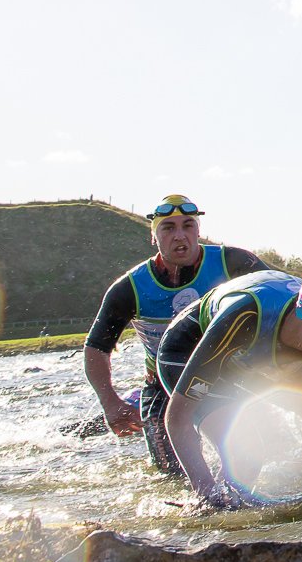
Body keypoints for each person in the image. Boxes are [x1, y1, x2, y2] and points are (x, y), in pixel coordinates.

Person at [157, 265, 302, 509]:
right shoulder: (244, 317)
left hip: (251, 358)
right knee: (248, 456)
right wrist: (204, 490)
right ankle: (214, 509)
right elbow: (177, 417)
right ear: (301, 313)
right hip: (187, 348)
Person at [83, 195, 266, 474]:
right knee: (171, 472)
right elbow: (96, 348)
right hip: (164, 385)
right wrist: (110, 402)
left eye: (187, 226)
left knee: (252, 457)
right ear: (154, 237)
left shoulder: (233, 262)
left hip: (226, 377)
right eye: (168, 228)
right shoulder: (130, 287)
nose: (180, 236)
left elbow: (282, 297)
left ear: (198, 230)